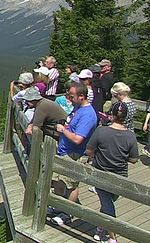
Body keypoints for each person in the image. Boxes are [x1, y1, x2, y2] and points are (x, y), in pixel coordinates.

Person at [86, 102, 139, 243]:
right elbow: (134, 159)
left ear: (112, 115)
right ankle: (111, 236)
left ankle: (103, 230)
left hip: (100, 174)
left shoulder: (101, 131)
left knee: (107, 205)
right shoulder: (130, 136)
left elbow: (89, 151)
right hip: (120, 177)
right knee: (108, 204)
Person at [53, 82, 98, 211]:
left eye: (72, 96)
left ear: (82, 96)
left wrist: (62, 130)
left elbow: (78, 139)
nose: (69, 99)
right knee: (58, 181)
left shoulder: (88, 115)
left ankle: (67, 212)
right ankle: (58, 207)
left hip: (74, 154)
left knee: (71, 185)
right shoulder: (77, 108)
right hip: (64, 151)